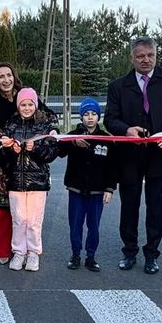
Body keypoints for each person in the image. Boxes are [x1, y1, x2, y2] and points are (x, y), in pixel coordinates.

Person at [104, 37, 162, 274]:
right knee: (129, 206)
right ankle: (129, 251)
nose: (146, 60)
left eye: (150, 55)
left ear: (156, 55)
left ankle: (152, 254)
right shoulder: (117, 86)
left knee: (157, 206)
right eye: (140, 56)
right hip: (130, 155)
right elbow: (110, 119)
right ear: (132, 58)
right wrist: (126, 129)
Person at [0, 87, 58, 271]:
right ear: (18, 105)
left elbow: (52, 153)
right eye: (23, 104)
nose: (27, 107)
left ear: (36, 105)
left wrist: (35, 149)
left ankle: (33, 253)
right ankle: (19, 251)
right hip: (15, 182)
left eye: (30, 104)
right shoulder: (11, 125)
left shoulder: (45, 125)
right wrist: (9, 150)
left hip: (38, 182)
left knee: (34, 221)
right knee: (19, 219)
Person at [59, 97, 117, 272]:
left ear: (98, 116)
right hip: (76, 189)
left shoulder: (107, 139)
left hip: (97, 191)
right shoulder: (72, 135)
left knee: (94, 226)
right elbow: (59, 152)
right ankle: (75, 255)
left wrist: (110, 188)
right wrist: (72, 142)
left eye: (93, 114)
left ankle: (91, 256)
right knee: (75, 224)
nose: (90, 117)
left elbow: (112, 166)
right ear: (81, 116)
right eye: (86, 114)